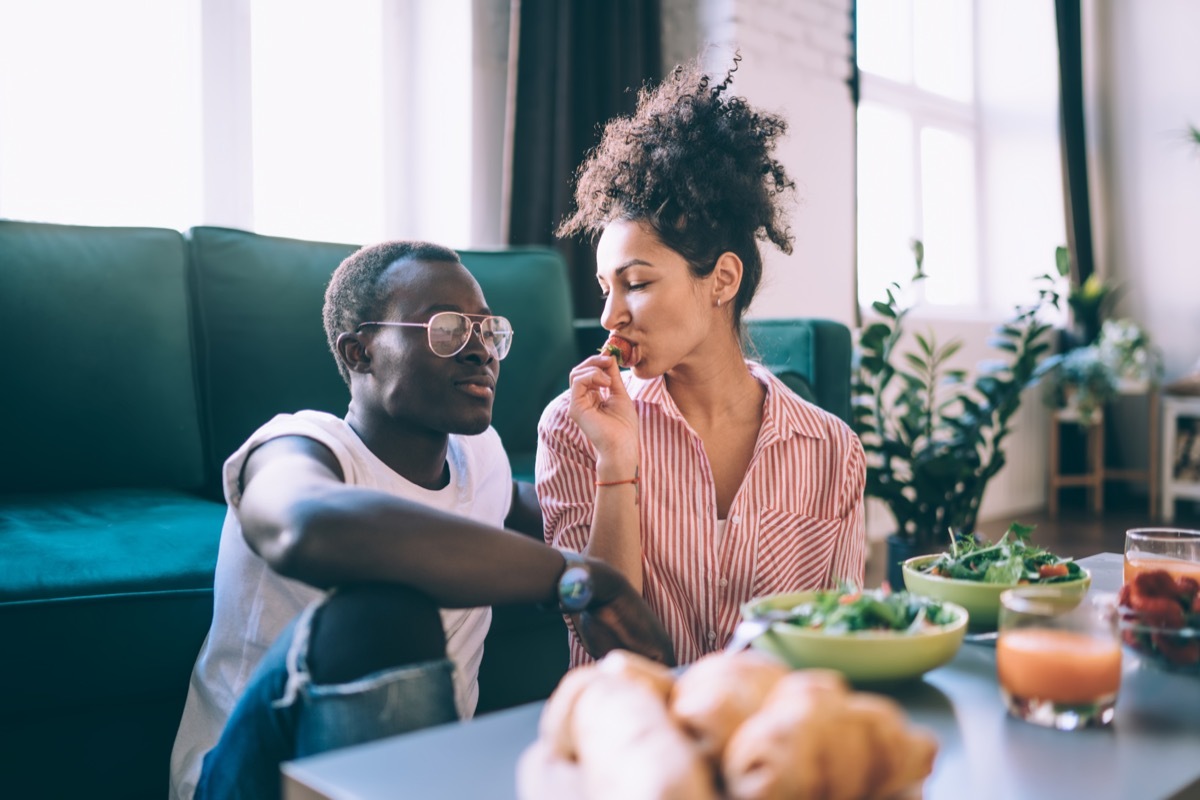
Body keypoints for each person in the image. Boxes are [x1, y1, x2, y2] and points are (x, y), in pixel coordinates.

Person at [169, 240, 673, 800]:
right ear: (360, 352)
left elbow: (569, 518)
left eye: (488, 332)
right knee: (383, 613)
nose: (480, 351)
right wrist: (575, 580)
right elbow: (304, 526)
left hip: (422, 777)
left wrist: (617, 463)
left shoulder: (480, 462)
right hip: (253, 778)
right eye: (448, 329)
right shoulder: (301, 446)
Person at [536, 59, 866, 668]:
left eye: (634, 283)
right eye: (605, 287)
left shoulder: (831, 450)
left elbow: (837, 643)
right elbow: (603, 640)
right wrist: (617, 462)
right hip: (632, 735)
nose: (610, 315)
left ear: (722, 280)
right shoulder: (573, 429)